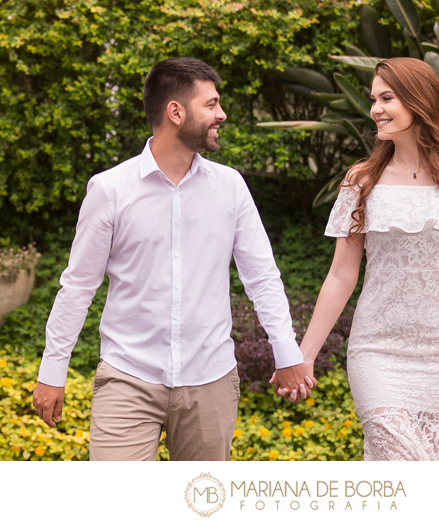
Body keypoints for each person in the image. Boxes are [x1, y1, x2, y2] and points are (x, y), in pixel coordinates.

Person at [32, 57, 315, 461]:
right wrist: (52, 372)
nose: (222, 114)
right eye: (211, 104)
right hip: (128, 377)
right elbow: (78, 287)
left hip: (211, 379)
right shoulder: (110, 190)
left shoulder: (230, 187)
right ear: (176, 112)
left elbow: (262, 277)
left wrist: (287, 353)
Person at [277, 57, 439, 460]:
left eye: (386, 98)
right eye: (373, 99)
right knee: (395, 455)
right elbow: (340, 276)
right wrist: (305, 354)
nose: (375, 110)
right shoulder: (361, 182)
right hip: (377, 351)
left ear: (420, 102)